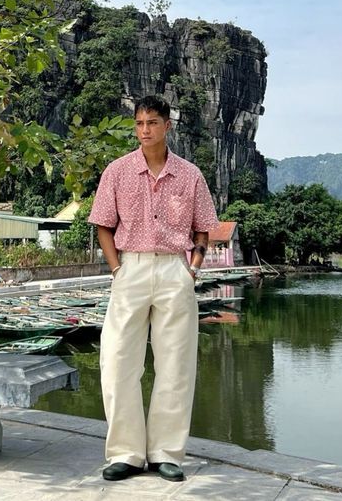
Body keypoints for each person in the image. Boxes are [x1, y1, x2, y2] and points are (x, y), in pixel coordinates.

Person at [88, 94, 218, 482]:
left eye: (152, 123)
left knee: (176, 365)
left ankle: (166, 452)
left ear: (167, 126)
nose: (145, 131)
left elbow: (202, 227)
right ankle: (126, 452)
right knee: (116, 362)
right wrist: (116, 270)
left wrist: (191, 270)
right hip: (131, 268)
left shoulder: (190, 174)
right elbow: (103, 224)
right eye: (139, 124)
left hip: (174, 272)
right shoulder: (117, 171)